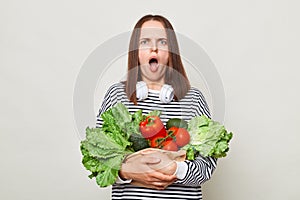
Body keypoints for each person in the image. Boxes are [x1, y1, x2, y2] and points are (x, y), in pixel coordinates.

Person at [96, 14, 217, 200]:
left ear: (171, 52)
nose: (154, 48)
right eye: (145, 42)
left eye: (162, 42)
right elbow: (98, 161)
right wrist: (129, 172)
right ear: (136, 51)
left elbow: (207, 166)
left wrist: (176, 169)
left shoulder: (193, 99)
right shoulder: (117, 96)